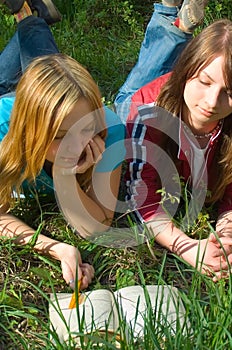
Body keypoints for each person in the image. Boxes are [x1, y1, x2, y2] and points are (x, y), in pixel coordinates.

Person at [115, 1, 232, 280]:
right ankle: (166, 17)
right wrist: (187, 248)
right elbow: (141, 198)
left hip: (173, 91)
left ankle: (175, 24)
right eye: (204, 82)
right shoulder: (147, 110)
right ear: (187, 73)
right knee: (129, 95)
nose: (211, 102)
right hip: (139, 105)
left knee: (157, 71)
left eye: (229, 93)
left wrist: (222, 243)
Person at [0, 1, 125, 289]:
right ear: (27, 132)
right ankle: (29, 16)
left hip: (33, 99)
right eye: (60, 135)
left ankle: (28, 15)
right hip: (13, 104)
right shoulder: (3, 131)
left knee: (47, 70)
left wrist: (64, 175)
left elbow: (97, 226)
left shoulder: (111, 131)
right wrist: (55, 248)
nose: (78, 145)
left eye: (86, 128)